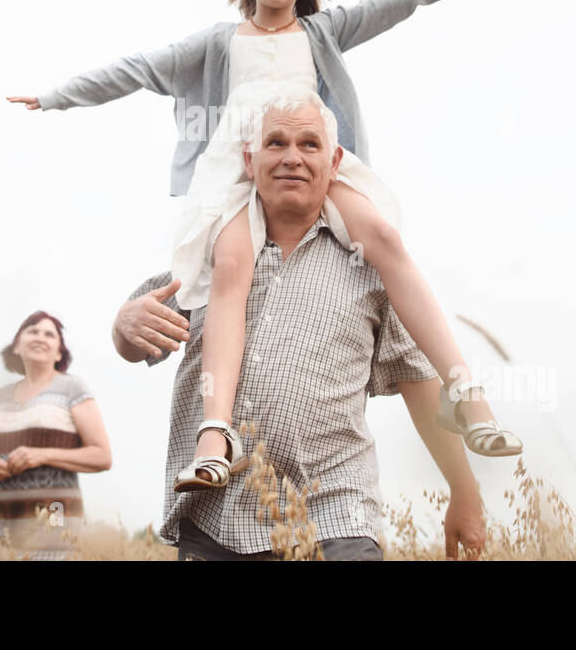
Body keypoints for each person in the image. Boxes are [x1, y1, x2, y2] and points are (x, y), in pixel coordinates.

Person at [11, 0, 540, 489]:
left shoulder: (323, 33)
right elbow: (138, 68)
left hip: (308, 158)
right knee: (231, 269)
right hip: (238, 169)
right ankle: (215, 433)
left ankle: (465, 391)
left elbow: (397, 1)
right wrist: (55, 97)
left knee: (385, 239)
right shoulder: (218, 43)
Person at [112, 90, 488, 560]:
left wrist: (464, 488)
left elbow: (419, 379)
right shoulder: (208, 258)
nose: (292, 157)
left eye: (309, 145)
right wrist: (123, 326)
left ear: (333, 163)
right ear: (250, 161)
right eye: (276, 143)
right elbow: (137, 342)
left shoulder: (369, 267)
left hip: (336, 516)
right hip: (217, 520)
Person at [0, 310, 113, 560]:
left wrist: (41, 455)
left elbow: (102, 456)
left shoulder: (72, 388)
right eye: (32, 331)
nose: (40, 337)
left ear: (59, 353)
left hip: (54, 520)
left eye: (49, 334)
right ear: (17, 346)